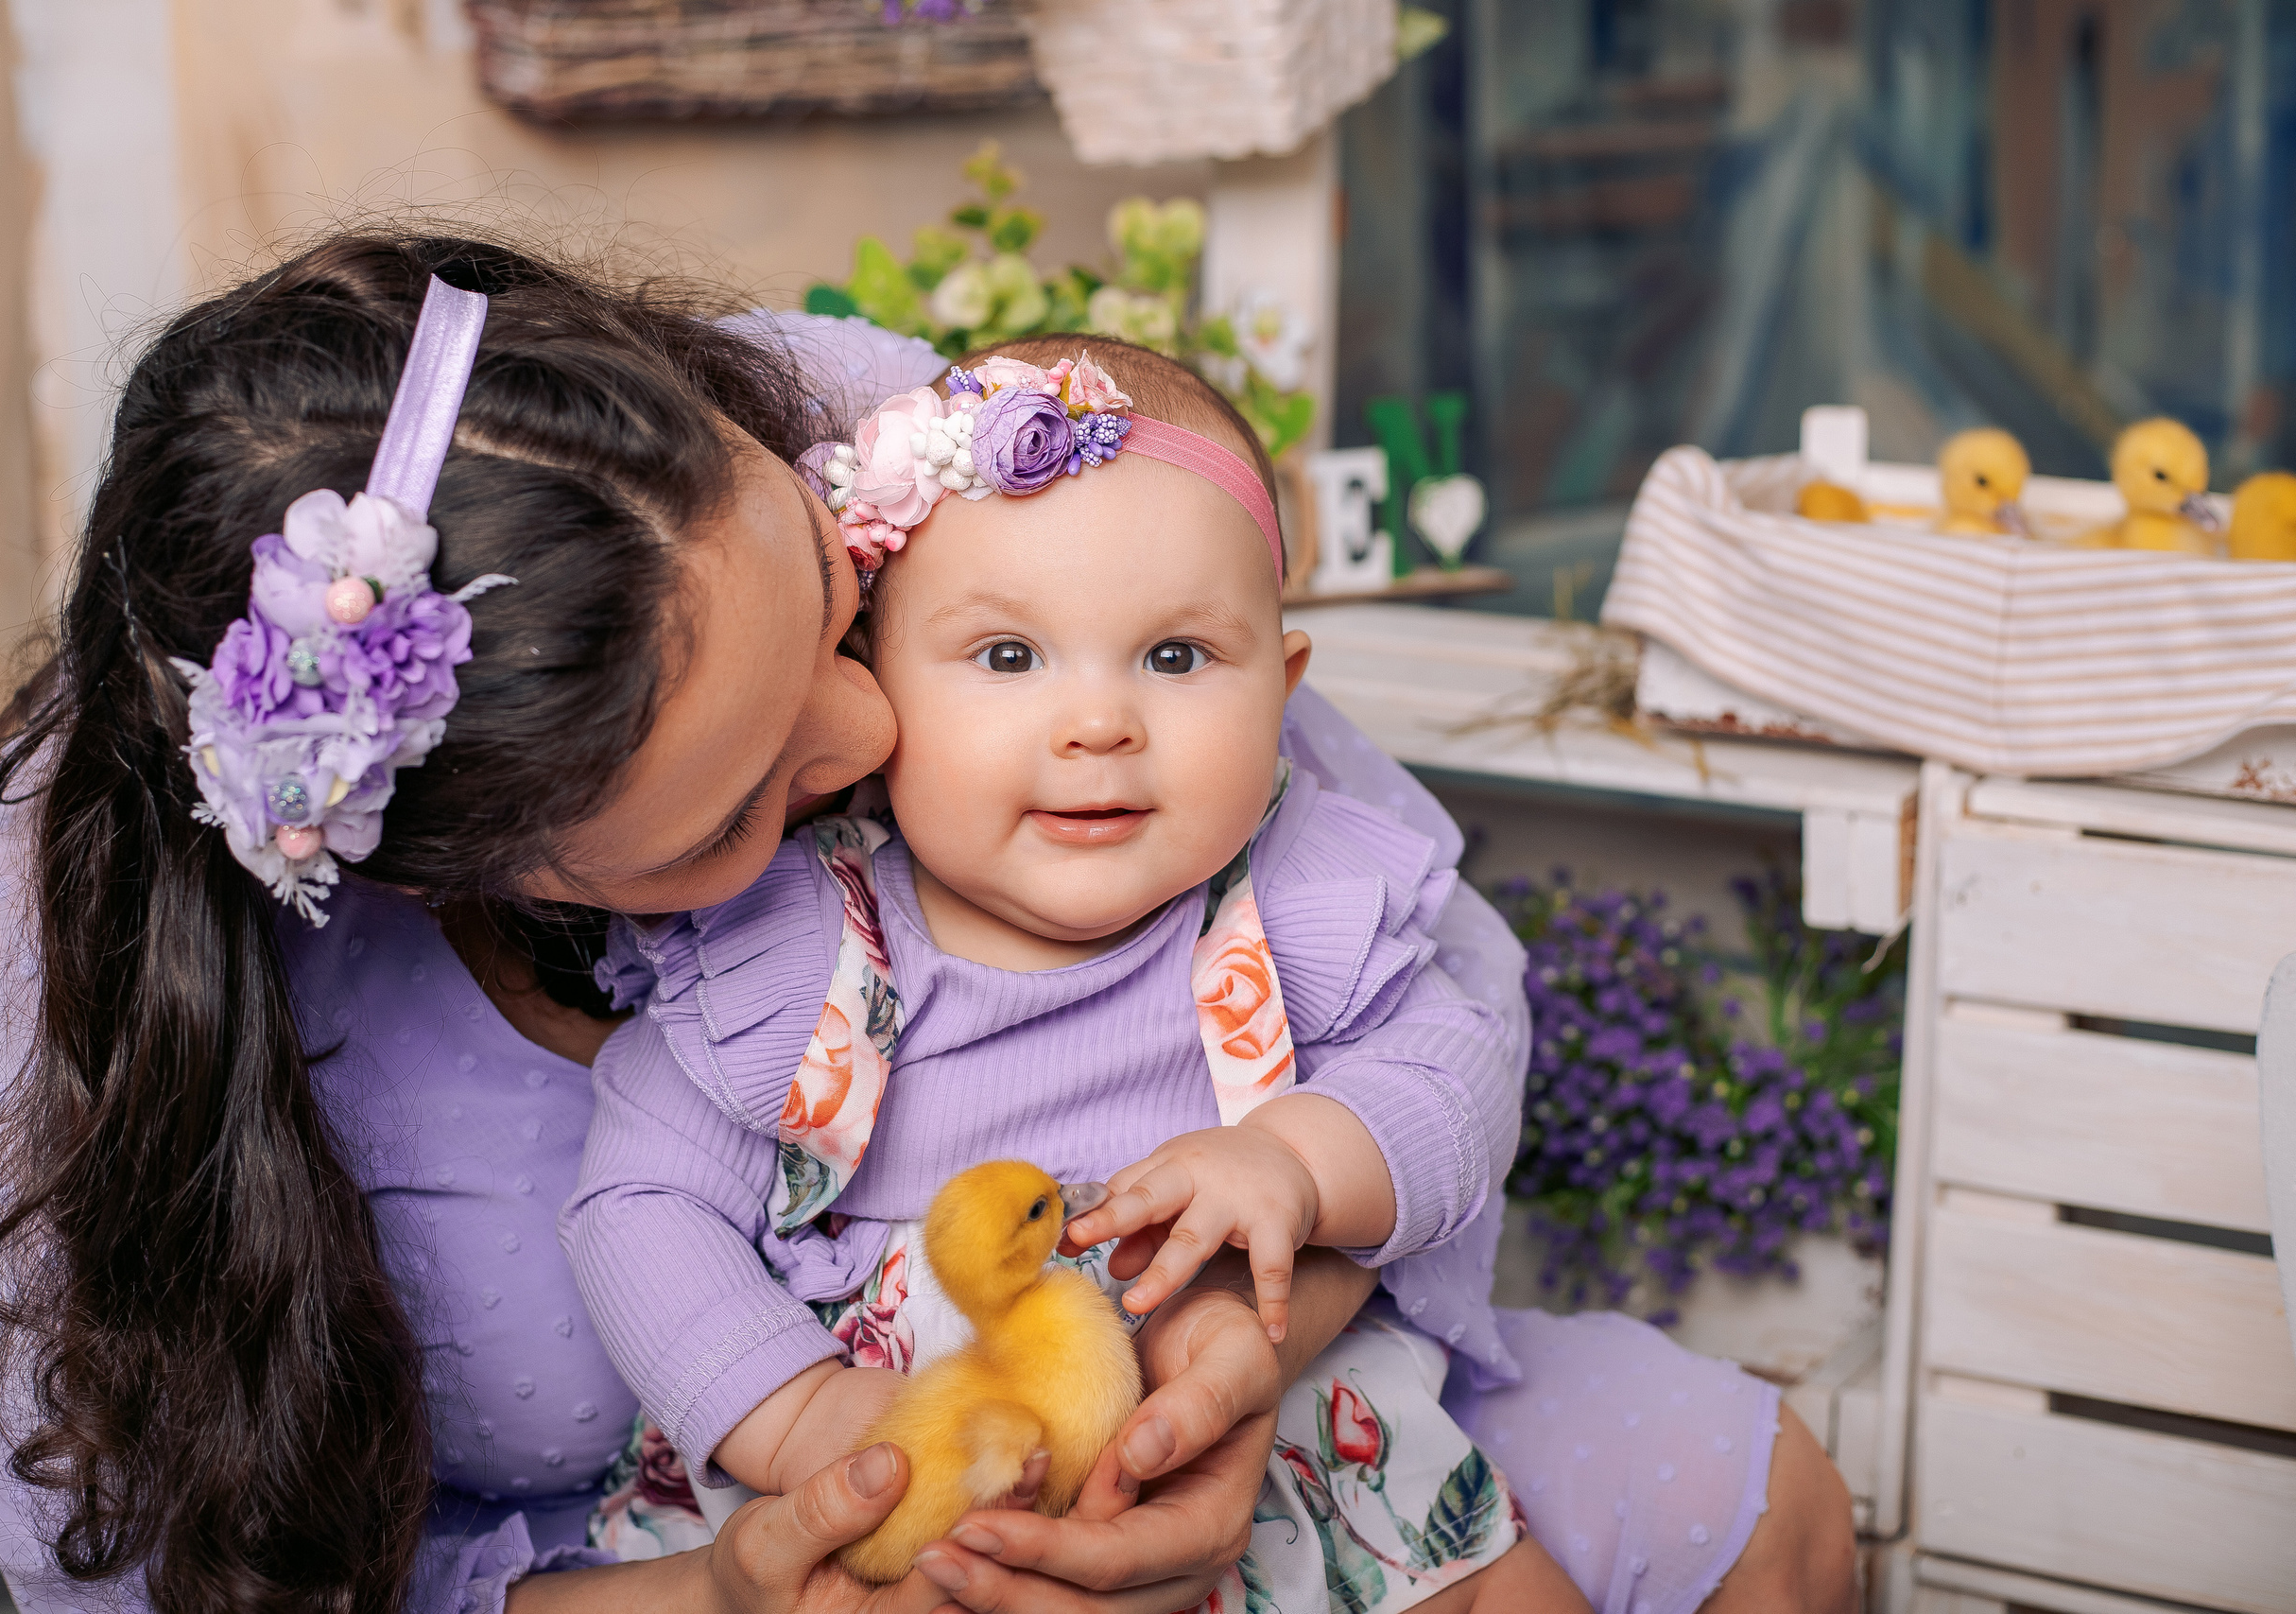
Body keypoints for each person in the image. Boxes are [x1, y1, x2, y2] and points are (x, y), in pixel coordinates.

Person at [0, 232, 1854, 1614]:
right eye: (756, 791)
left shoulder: (929, 468)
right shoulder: (710, 974)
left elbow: (1418, 989)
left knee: (1746, 1497)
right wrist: (767, 1521)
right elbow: (154, 1563)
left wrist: (1244, 1338)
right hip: (722, 1551)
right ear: (504, 869)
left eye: (841, 621)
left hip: (1228, 1393)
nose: (876, 735)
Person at [564, 336, 1584, 1612]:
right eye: (1007, 658)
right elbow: (641, 1200)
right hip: (921, 1455)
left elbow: (1460, 1073)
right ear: (875, 685)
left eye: (1175, 658)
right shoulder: (806, 943)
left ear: (1284, 691)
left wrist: (1298, 1157)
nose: (1098, 722)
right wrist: (796, 1413)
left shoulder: (1289, 901)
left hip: (1253, 1436)